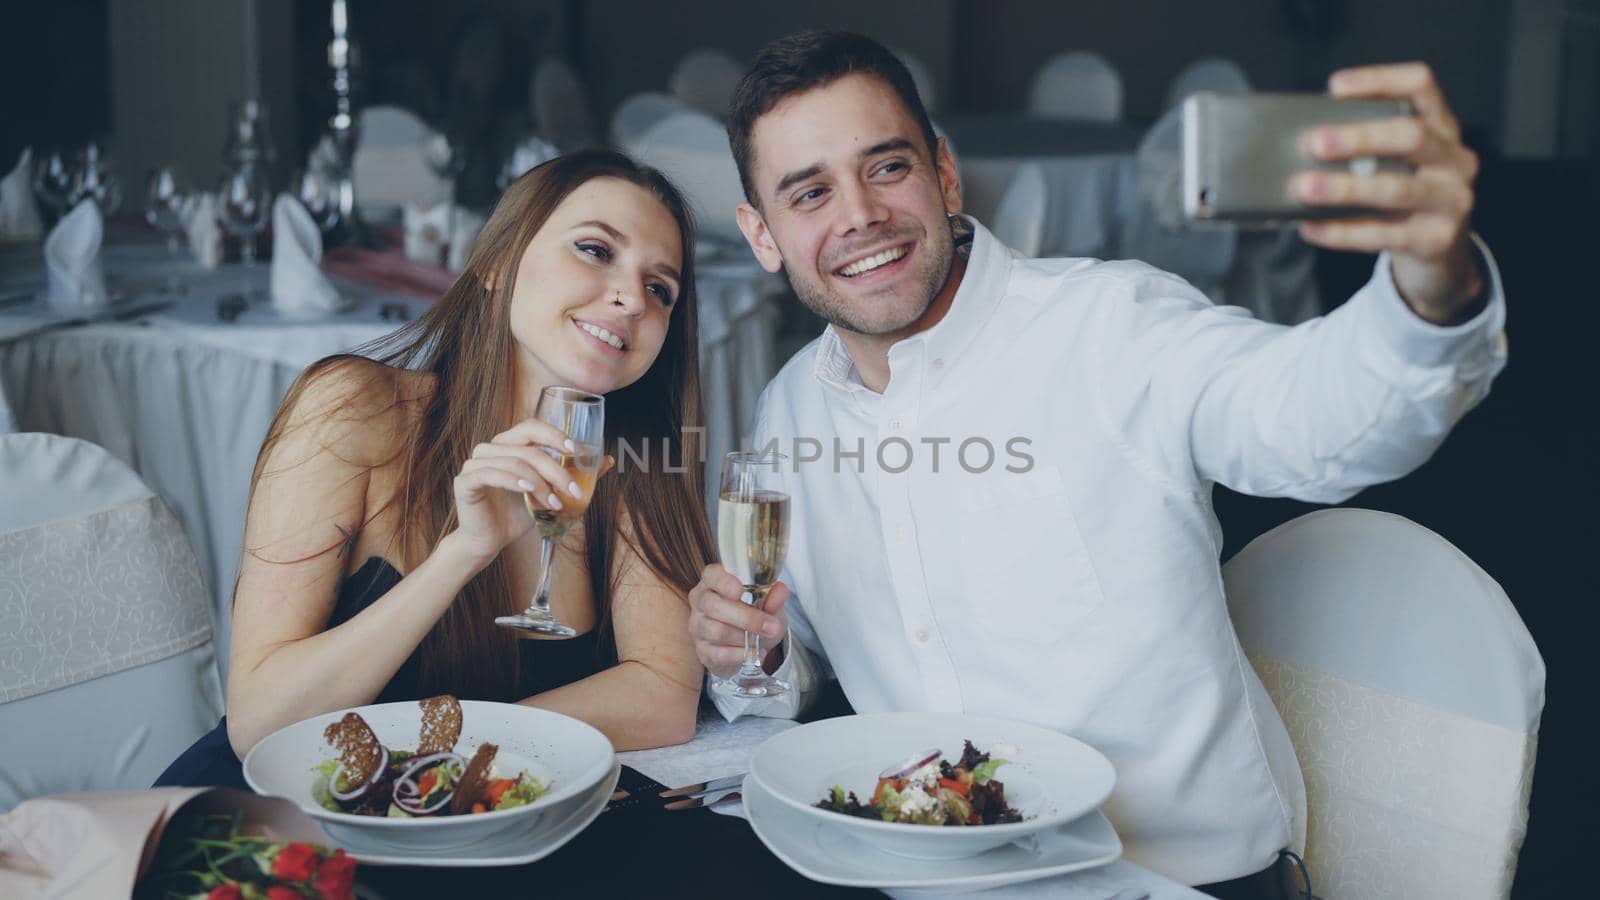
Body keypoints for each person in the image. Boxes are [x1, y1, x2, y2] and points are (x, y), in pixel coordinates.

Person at [686, 30, 1505, 896]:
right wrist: (759, 652)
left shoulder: (1115, 325)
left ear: (945, 174)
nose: (857, 215)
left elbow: (1317, 420)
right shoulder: (790, 409)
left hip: (1178, 880)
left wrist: (1429, 283)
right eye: (809, 193)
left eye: (886, 167)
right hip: (927, 878)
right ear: (763, 235)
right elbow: (791, 659)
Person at [158, 149, 714, 789]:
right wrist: (463, 552)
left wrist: (448, 761)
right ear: (499, 265)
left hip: (481, 814)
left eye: (659, 288)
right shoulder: (356, 410)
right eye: (594, 250)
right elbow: (259, 723)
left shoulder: (637, 461)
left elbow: (663, 697)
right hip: (287, 819)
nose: (630, 298)